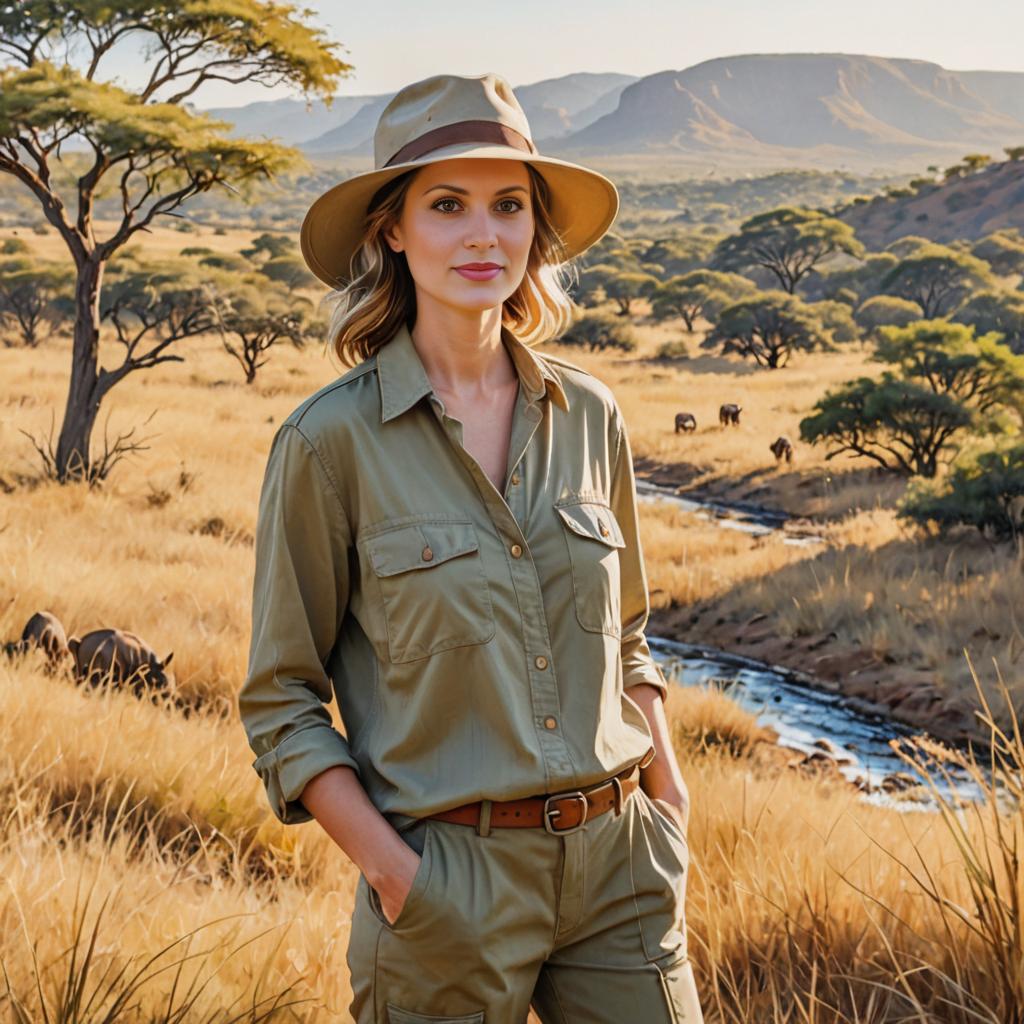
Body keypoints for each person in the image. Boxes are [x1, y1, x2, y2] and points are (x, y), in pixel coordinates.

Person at [238, 71, 704, 1024]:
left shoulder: (591, 415)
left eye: (508, 205)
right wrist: (397, 874)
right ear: (392, 231)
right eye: (446, 205)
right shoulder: (330, 444)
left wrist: (668, 795)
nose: (483, 235)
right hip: (447, 884)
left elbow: (630, 635)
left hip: (621, 870)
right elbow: (281, 699)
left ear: (536, 229)